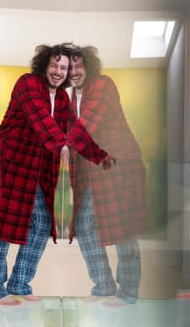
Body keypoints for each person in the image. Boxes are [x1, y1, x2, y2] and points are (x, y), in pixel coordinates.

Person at [0, 43, 73, 306]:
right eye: (54, 65)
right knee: (3, 227)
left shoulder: (63, 99)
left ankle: (19, 282)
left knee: (41, 224)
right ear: (44, 64)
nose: (58, 71)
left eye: (63, 67)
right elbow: (40, 118)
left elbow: (70, 130)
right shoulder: (28, 84)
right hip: (7, 162)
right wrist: (61, 143)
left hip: (35, 170)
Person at [67, 45, 148, 305]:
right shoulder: (71, 98)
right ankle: (103, 285)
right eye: (70, 67)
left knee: (123, 228)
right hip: (95, 167)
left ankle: (128, 293)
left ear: (90, 67)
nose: (75, 71)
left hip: (119, 163)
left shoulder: (102, 85)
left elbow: (86, 124)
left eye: (80, 65)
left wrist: (60, 143)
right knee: (84, 224)